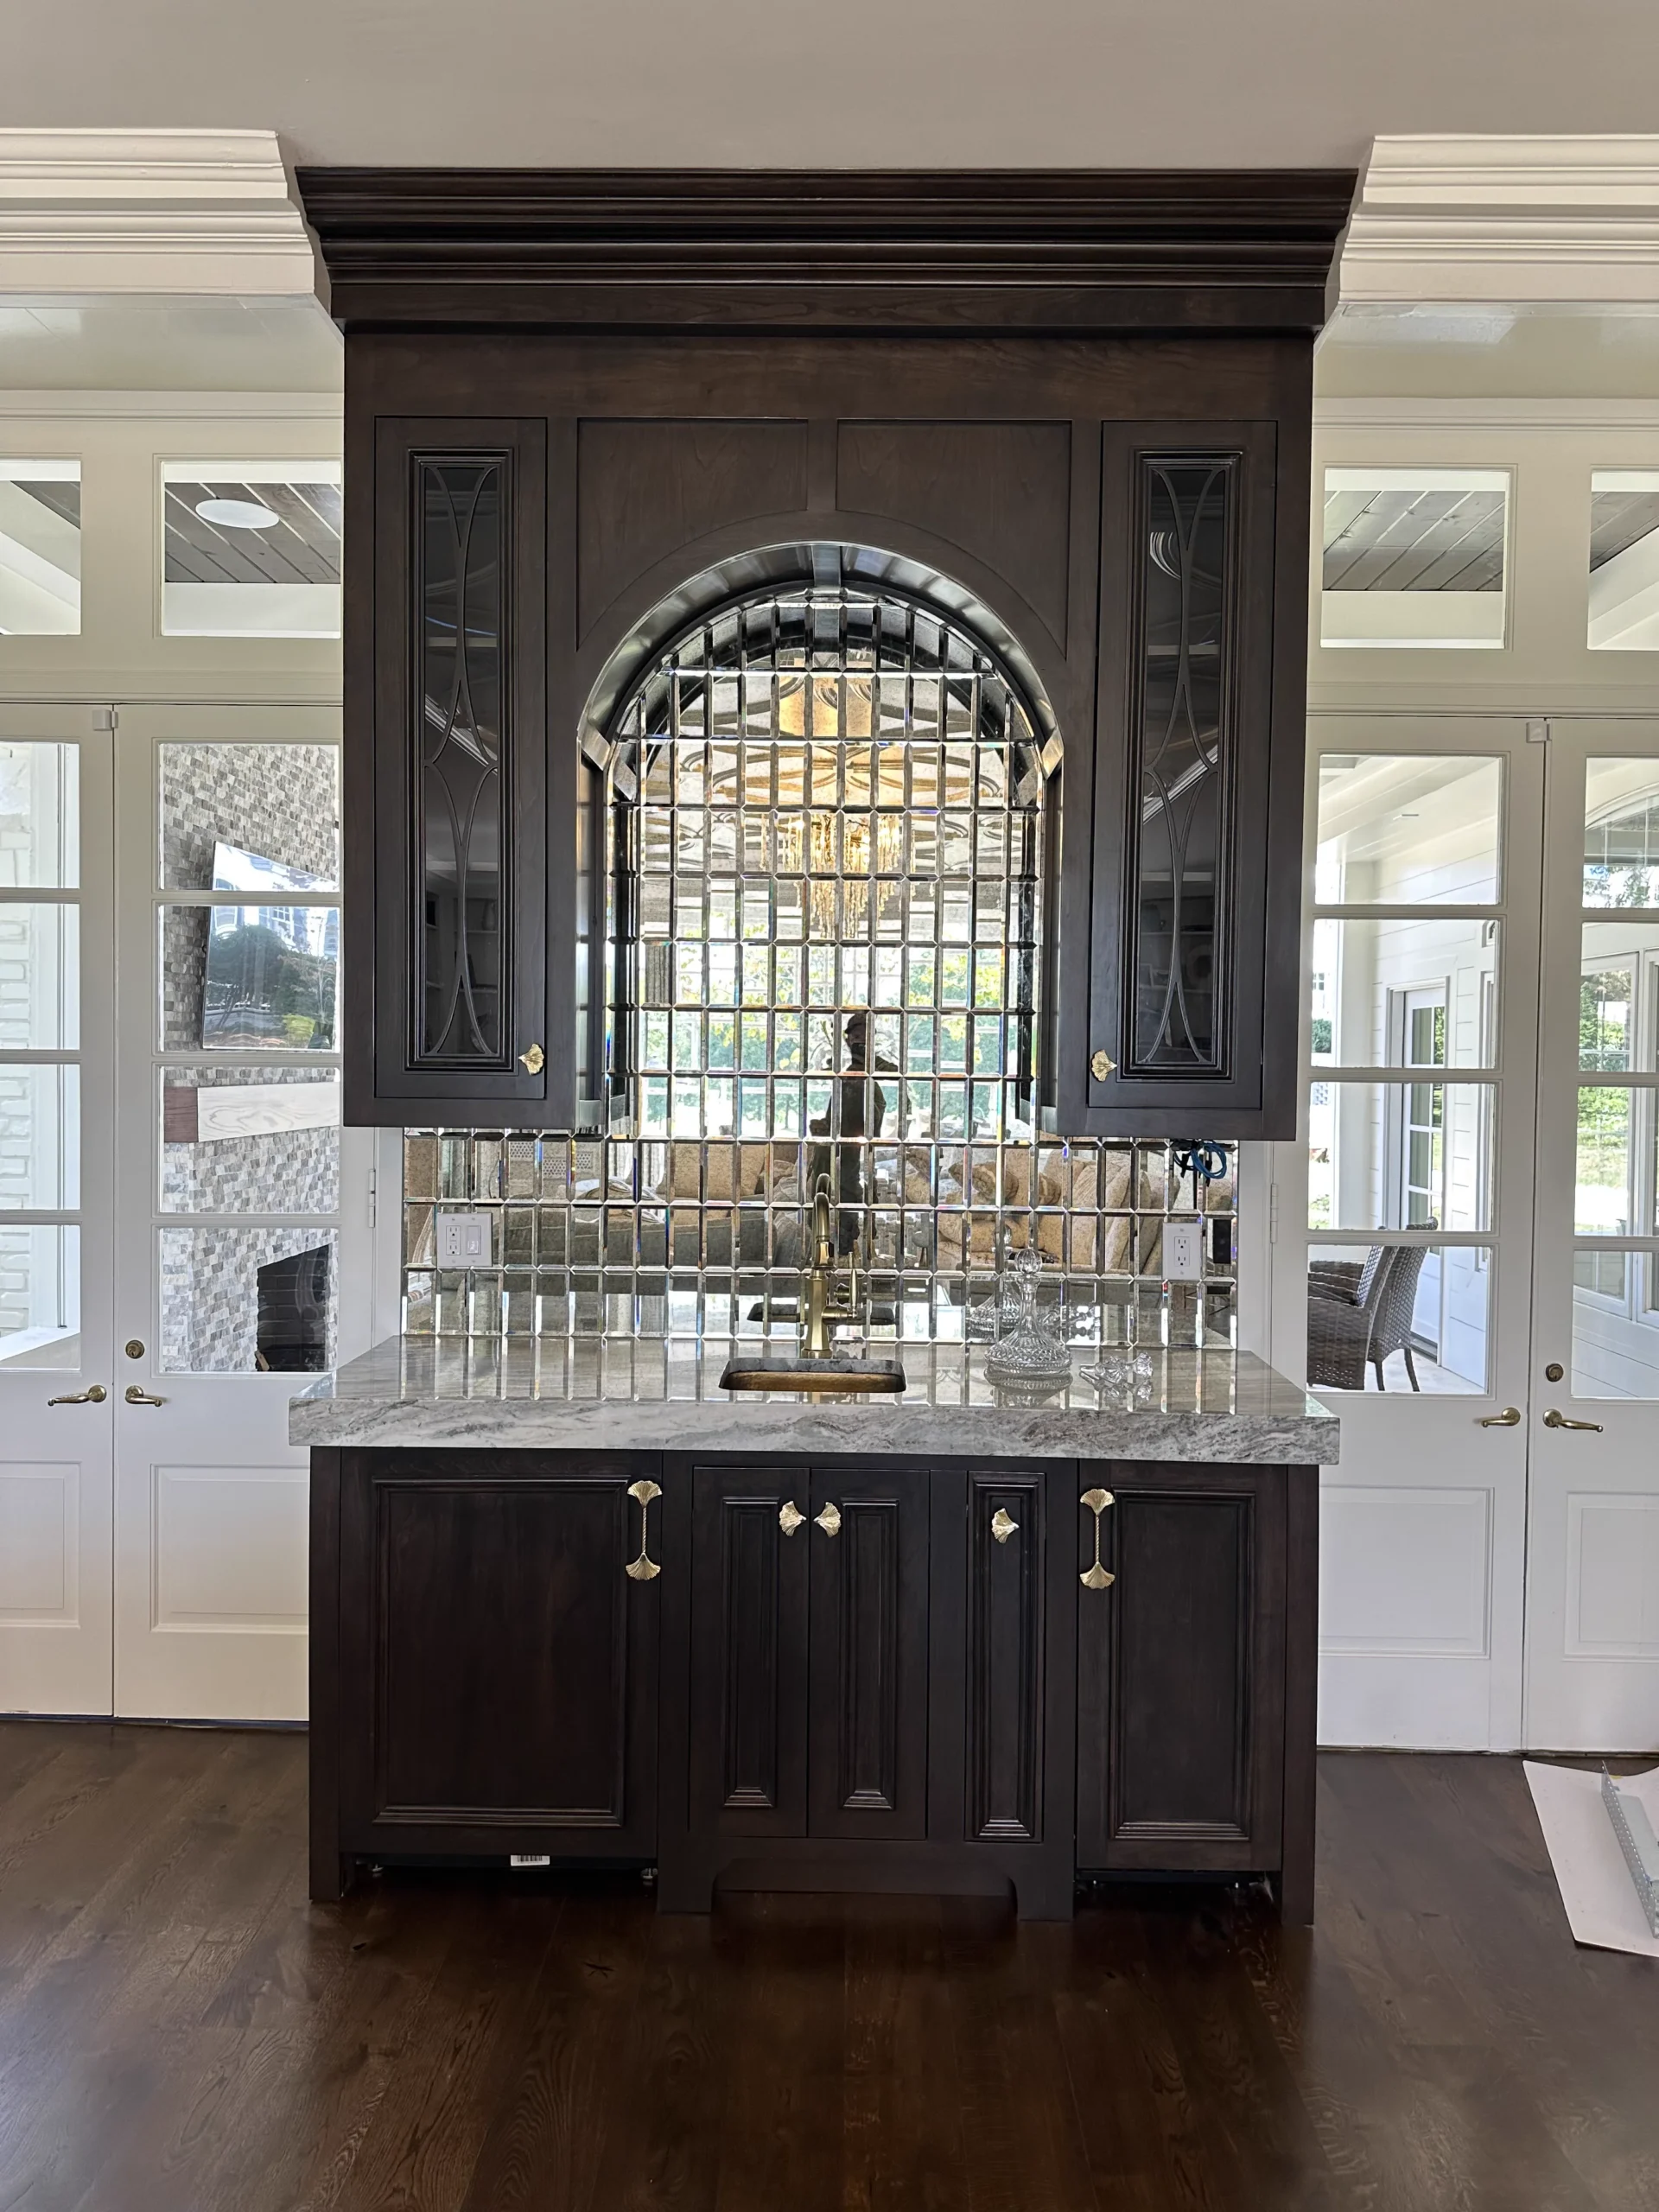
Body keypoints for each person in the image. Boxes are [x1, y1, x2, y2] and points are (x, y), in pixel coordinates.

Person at [807, 1010, 897, 1255]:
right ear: (847, 1039)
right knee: (822, 1188)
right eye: (855, 1036)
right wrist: (822, 1127)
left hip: (854, 1148)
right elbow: (835, 1114)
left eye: (865, 1036)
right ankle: (827, 1243)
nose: (859, 1041)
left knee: (849, 1190)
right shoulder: (844, 1073)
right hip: (833, 1147)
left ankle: (849, 1242)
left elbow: (871, 1121)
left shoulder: (876, 1071)